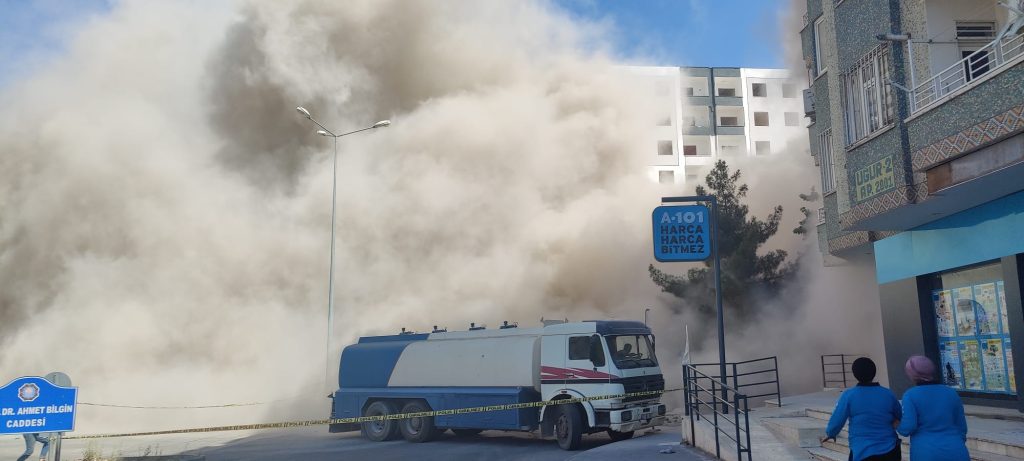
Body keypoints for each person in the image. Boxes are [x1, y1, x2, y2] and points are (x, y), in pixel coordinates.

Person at [822, 357, 902, 461]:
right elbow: (899, 415)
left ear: (855, 374)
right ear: (874, 372)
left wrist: (831, 433)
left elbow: (837, 420)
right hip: (890, 450)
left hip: (862, 451)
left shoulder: (849, 395)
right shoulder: (888, 394)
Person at [897, 355, 970, 461]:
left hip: (926, 452)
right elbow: (962, 427)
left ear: (912, 374)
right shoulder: (951, 393)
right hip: (957, 450)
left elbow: (907, 428)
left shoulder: (910, 395)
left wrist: (896, 423)